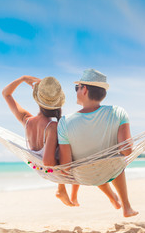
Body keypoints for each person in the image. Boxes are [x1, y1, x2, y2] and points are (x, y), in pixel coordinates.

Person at [57, 69, 139, 217]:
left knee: (93, 161)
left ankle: (116, 200)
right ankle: (126, 207)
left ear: (85, 89)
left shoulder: (64, 122)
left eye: (77, 88)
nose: (76, 91)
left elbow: (66, 166)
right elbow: (127, 151)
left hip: (83, 176)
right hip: (112, 170)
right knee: (112, 159)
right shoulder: (118, 112)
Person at [2, 75, 75, 206]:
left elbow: (6, 94)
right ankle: (62, 188)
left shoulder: (26, 119)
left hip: (36, 166)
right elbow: (48, 162)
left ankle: (61, 189)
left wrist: (22, 79)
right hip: (51, 170)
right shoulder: (52, 127)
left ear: (38, 101)